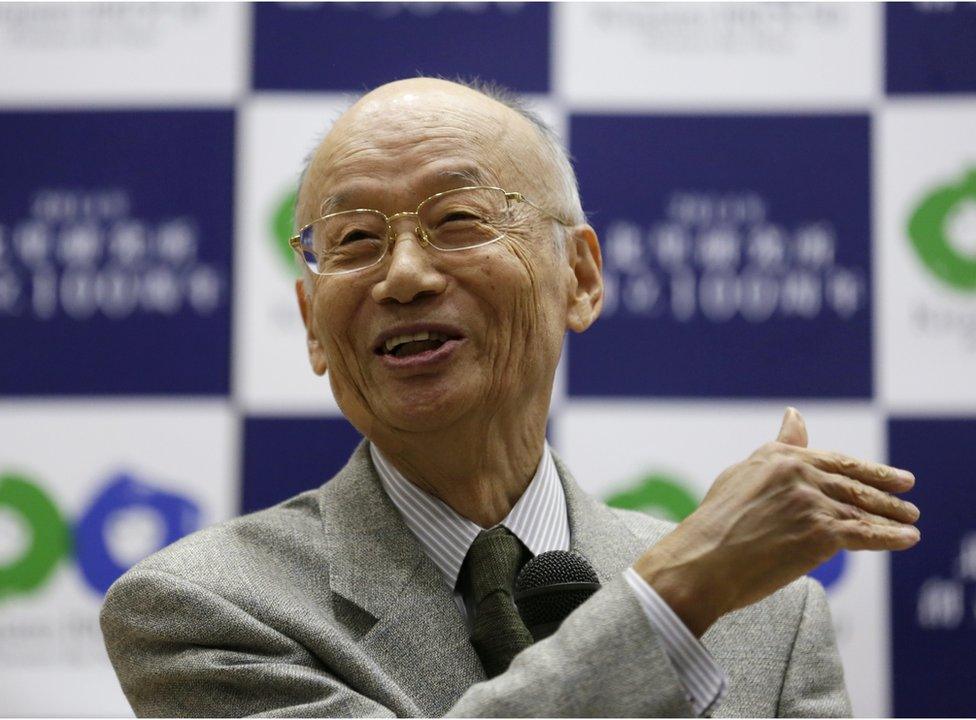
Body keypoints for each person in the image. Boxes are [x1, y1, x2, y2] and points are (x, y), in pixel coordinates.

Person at [101, 77, 920, 717]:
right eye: (354, 241)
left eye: (460, 219)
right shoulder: (198, 608)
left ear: (582, 277)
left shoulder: (772, 619)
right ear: (315, 324)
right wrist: (675, 596)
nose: (406, 275)